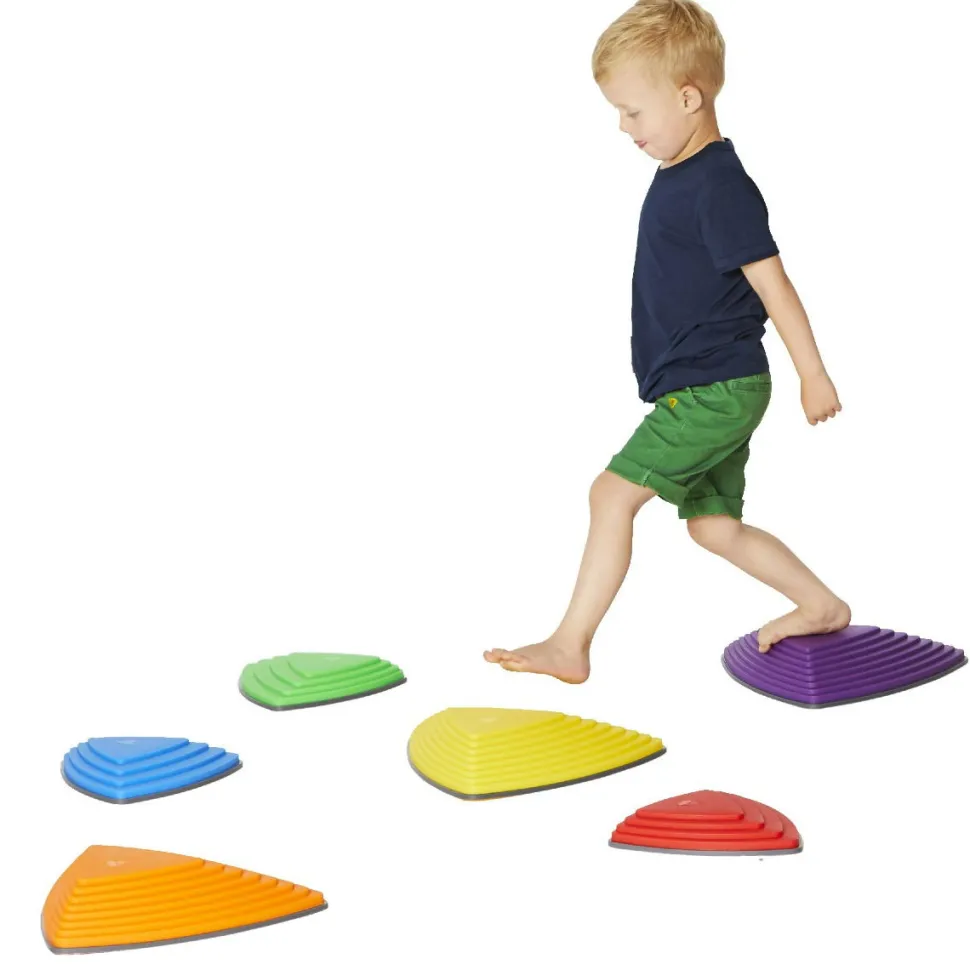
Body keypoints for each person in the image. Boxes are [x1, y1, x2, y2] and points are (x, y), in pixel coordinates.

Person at [484, 0, 850, 684]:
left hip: (715, 389)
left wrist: (814, 374)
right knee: (713, 526)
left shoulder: (719, 185)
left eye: (632, 111)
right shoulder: (684, 174)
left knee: (610, 495)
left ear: (688, 97)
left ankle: (570, 644)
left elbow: (774, 284)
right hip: (710, 384)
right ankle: (821, 605)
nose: (623, 127)